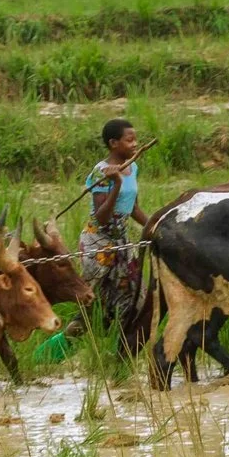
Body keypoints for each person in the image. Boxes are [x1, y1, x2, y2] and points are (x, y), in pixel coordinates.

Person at [82, 118, 151, 336]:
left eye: (135, 140)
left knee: (136, 298)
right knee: (97, 305)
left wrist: (156, 226)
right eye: (129, 140)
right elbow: (102, 217)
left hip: (121, 242)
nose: (134, 144)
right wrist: (117, 183)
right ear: (113, 143)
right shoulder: (100, 173)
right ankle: (77, 343)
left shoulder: (134, 167)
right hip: (99, 243)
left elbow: (133, 208)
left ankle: (122, 345)